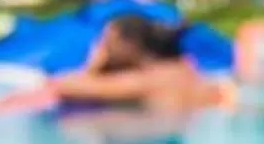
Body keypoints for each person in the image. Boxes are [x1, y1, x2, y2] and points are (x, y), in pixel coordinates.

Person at [42, 13, 231, 112]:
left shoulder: (145, 81)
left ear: (129, 45)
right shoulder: (184, 69)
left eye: (106, 42)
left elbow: (63, 85)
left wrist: (93, 65)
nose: (101, 46)